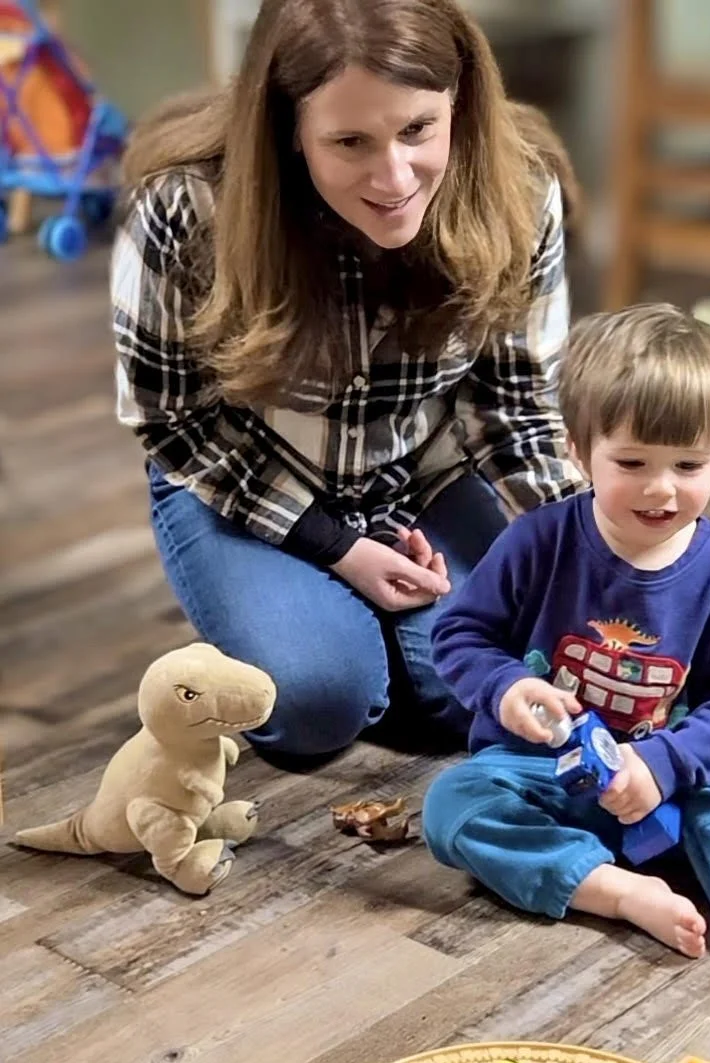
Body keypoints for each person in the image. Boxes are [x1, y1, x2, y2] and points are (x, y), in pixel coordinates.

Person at [109, 0, 585, 762]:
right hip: (240, 480)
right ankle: (333, 645)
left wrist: (596, 551)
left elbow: (514, 405)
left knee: (509, 686)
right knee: (316, 704)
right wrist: (340, 549)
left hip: (420, 476)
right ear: (289, 130)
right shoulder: (184, 206)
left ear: (459, 100)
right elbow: (173, 423)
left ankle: (380, 654)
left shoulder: (521, 190)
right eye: (350, 141)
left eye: (419, 130)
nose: (394, 176)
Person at [422, 303, 710, 1022]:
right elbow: (460, 633)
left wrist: (664, 765)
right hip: (543, 775)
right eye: (633, 463)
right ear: (577, 449)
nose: (662, 488)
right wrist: (507, 687)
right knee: (454, 804)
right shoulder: (538, 542)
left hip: (675, 781)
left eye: (690, 465)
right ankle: (613, 891)